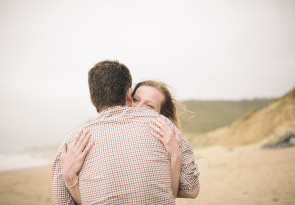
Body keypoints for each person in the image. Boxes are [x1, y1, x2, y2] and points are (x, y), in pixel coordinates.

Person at [51, 60, 199, 204]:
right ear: (129, 95)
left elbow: (187, 191)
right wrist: (69, 177)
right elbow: (175, 192)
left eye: (149, 106)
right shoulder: (165, 126)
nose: (139, 109)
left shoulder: (71, 142)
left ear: (92, 100)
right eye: (135, 100)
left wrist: (176, 155)